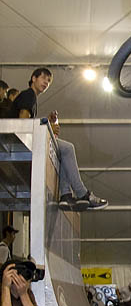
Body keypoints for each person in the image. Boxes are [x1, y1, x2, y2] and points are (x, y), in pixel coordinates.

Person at [12, 67, 108, 211]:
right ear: (33, 78)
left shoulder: (32, 98)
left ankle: (66, 195)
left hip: (24, 139)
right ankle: (81, 193)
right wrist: (48, 129)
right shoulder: (29, 95)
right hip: (19, 140)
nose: (46, 82)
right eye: (43, 78)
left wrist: (47, 124)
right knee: (67, 148)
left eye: (48, 81)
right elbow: (23, 123)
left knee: (62, 151)